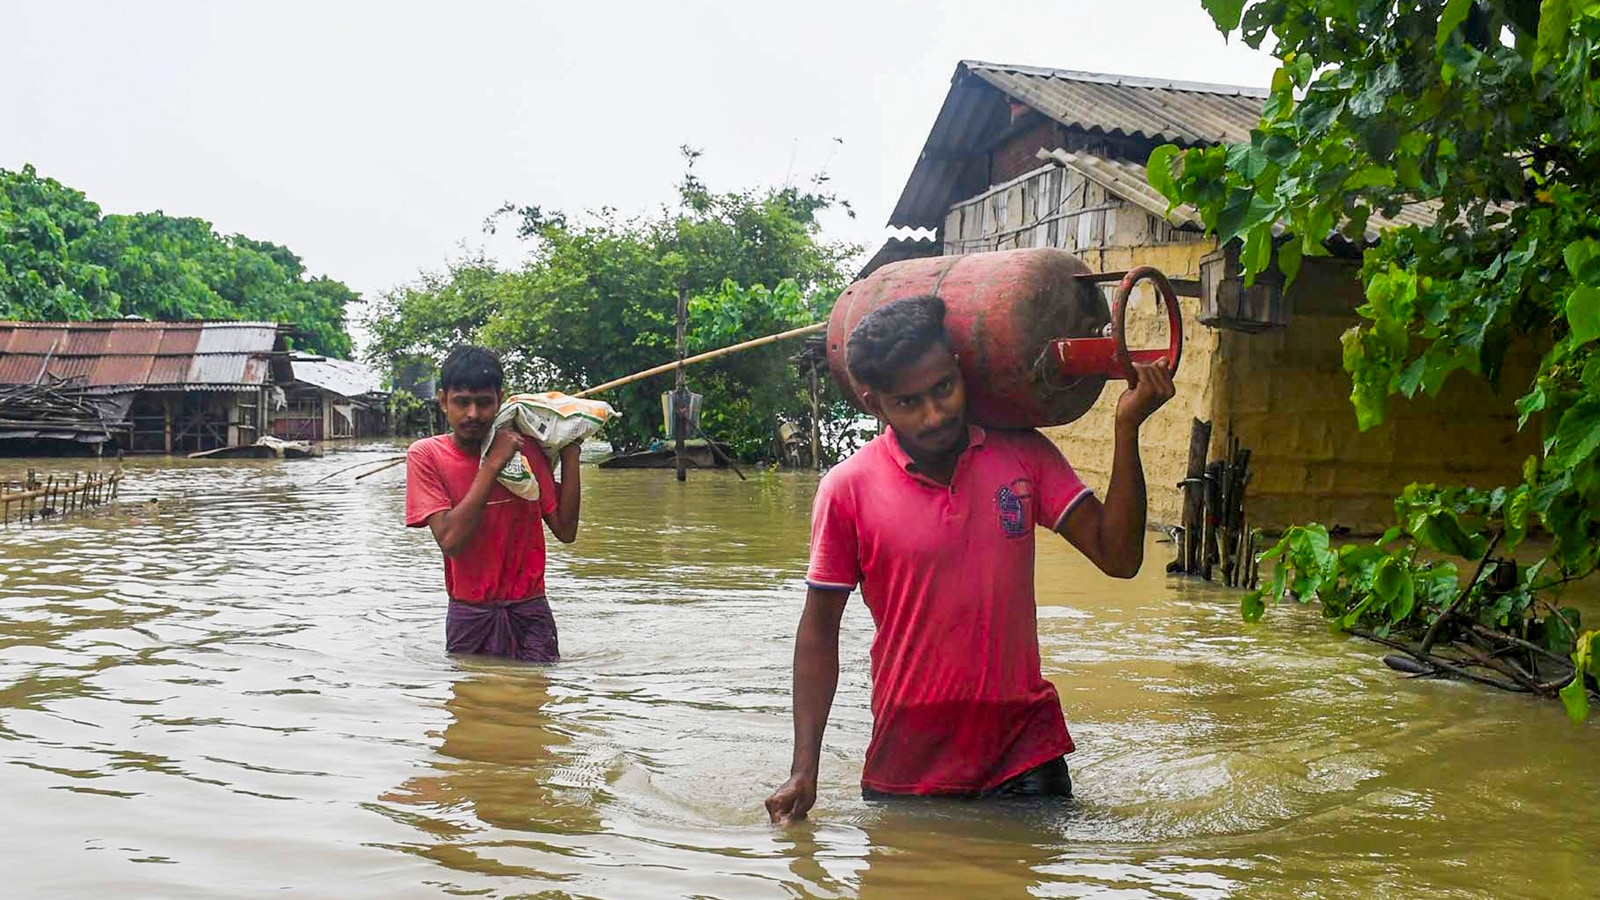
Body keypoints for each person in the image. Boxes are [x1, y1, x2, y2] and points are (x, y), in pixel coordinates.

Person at [764, 295, 1174, 821]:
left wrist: (1127, 429)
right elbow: (819, 633)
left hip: (1026, 753)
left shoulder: (1023, 455)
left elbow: (1118, 557)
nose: (935, 414)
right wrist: (805, 769)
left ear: (960, 371)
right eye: (909, 402)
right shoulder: (848, 489)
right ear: (875, 404)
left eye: (943, 388)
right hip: (908, 760)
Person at [405, 345, 582, 662]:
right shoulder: (426, 455)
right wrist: (492, 465)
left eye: (484, 403)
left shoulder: (524, 449)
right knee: (473, 706)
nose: (473, 414)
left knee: (535, 706)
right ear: (443, 400)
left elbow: (566, 530)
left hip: (531, 612)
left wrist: (570, 450)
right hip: (470, 615)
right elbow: (450, 541)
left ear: (500, 400)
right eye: (461, 403)